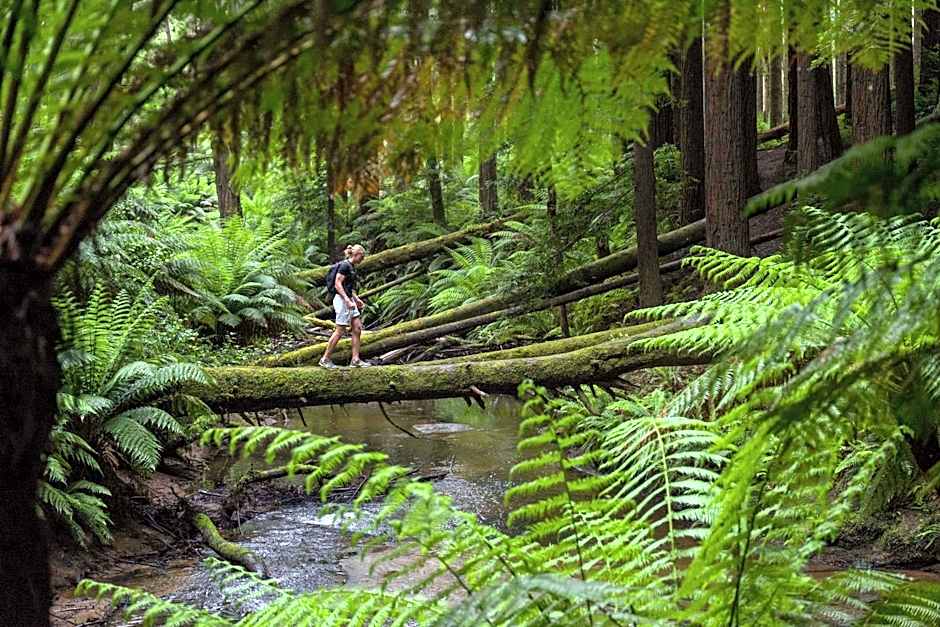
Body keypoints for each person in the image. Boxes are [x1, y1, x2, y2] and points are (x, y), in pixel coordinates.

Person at [320, 244, 371, 368]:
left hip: (348, 300)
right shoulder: (344, 266)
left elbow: (349, 288)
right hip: (342, 300)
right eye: (362, 256)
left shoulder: (352, 267)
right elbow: (338, 284)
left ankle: (355, 360)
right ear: (357, 254)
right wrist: (347, 300)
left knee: (357, 328)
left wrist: (356, 299)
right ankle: (325, 359)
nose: (363, 259)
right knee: (340, 330)